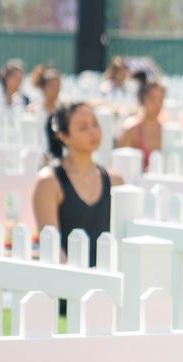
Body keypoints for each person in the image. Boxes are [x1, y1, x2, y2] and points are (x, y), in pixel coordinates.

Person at [31, 102, 126, 267]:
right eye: (83, 127)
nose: (92, 132)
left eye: (95, 124)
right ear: (63, 136)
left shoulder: (115, 180)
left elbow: (122, 239)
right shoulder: (49, 182)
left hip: (108, 275)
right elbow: (52, 248)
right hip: (65, 276)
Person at [115, 71, 165, 171]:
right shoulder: (131, 129)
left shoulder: (165, 130)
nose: (157, 104)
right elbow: (121, 166)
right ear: (142, 98)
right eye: (152, 99)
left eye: (160, 99)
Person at [28, 65, 62, 159]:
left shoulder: (63, 109)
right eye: (52, 86)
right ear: (43, 87)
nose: (56, 90)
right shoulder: (34, 110)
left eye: (58, 86)